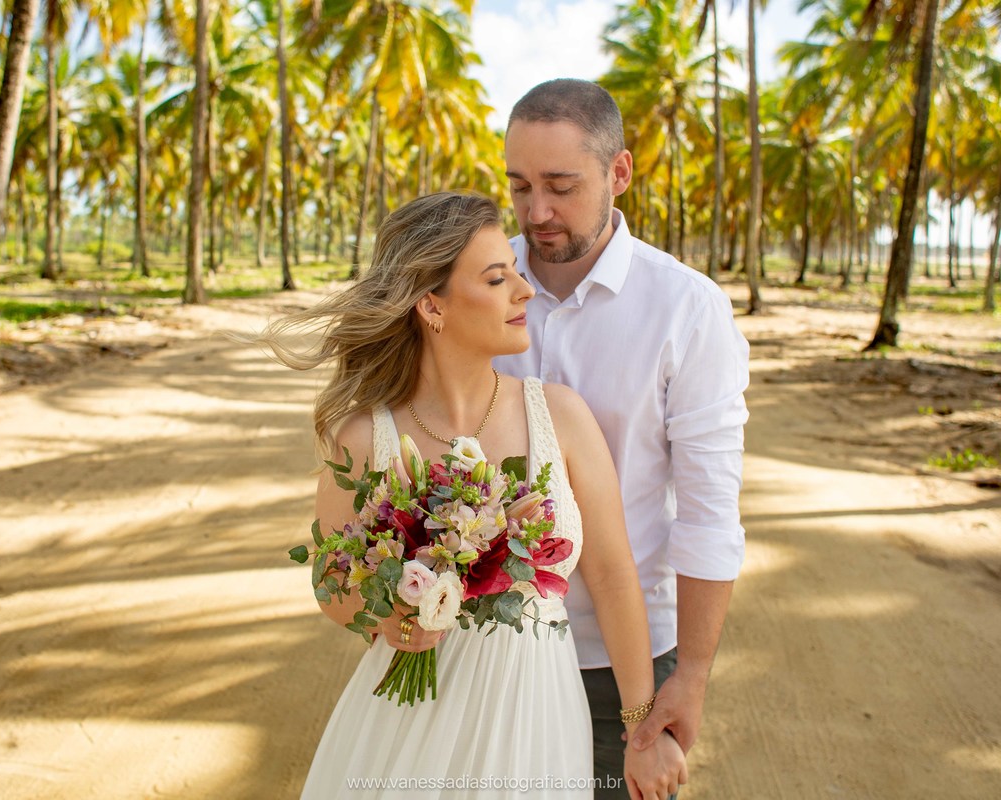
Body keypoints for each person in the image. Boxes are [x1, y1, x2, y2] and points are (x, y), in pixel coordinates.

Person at [250, 192, 687, 799]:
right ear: (432, 304)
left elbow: (613, 575)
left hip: (536, 720)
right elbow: (331, 584)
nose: (524, 291)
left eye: (514, 274)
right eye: (496, 277)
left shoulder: (559, 416)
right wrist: (395, 620)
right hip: (409, 724)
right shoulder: (363, 437)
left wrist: (641, 731)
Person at [494, 79, 750, 797]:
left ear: (620, 173)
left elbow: (707, 514)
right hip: (487, 644)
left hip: (626, 660)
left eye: (560, 186)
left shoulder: (686, 310)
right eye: (518, 186)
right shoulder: (477, 285)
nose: (536, 212)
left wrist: (692, 676)